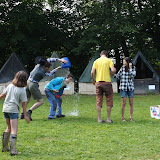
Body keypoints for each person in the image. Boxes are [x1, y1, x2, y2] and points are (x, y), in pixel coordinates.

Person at [20, 57, 67, 121]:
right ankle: (29, 111)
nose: (49, 69)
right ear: (46, 67)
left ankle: (22, 114)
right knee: (40, 101)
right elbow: (50, 74)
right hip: (33, 85)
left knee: (27, 100)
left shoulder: (39, 65)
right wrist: (56, 69)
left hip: (27, 82)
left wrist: (60, 60)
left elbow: (50, 60)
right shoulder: (42, 72)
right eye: (49, 68)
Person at [0, 71, 30, 156]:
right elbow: (24, 104)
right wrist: (25, 115)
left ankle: (5, 148)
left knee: (8, 128)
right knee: (14, 130)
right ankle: (13, 151)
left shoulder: (10, 86)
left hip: (5, 109)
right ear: (25, 80)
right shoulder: (22, 90)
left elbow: (2, 95)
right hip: (13, 110)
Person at [91, 50, 116, 123]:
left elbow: (92, 72)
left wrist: (93, 81)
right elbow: (113, 70)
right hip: (107, 83)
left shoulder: (96, 61)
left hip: (98, 82)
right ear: (107, 55)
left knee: (99, 101)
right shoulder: (109, 61)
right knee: (109, 100)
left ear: (101, 54)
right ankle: (108, 119)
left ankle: (99, 119)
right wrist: (112, 72)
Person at [115, 57, 136, 122]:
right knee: (123, 103)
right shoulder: (122, 68)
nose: (123, 63)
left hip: (130, 87)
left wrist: (129, 68)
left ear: (128, 62)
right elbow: (118, 76)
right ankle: (122, 118)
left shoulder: (133, 68)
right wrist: (113, 74)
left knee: (131, 103)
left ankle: (131, 117)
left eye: (124, 61)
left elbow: (132, 75)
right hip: (123, 87)